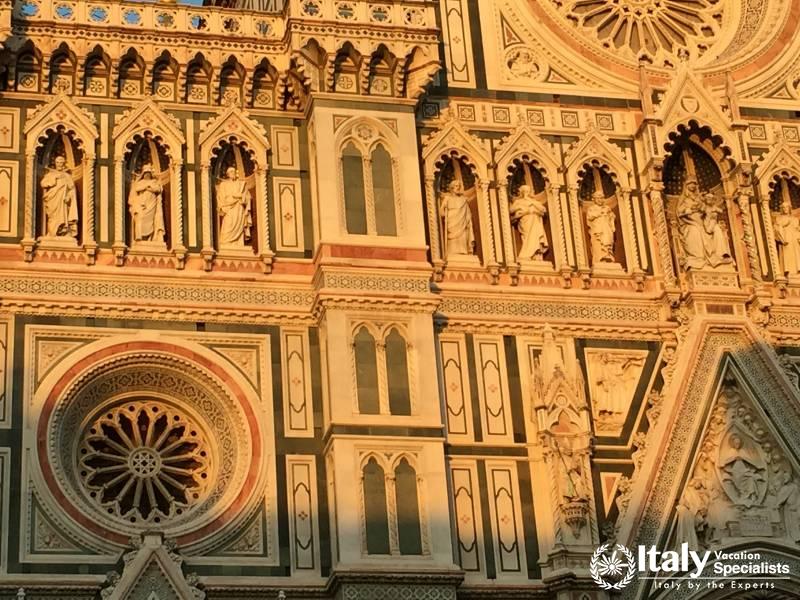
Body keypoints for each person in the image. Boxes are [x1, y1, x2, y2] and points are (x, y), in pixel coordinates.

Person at [40, 155, 78, 238]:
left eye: (61, 162)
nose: (59, 164)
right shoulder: (50, 174)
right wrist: (54, 179)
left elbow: (72, 189)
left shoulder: (67, 176)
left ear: (64, 164)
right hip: (53, 199)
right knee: (52, 216)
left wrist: (68, 196)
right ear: (55, 163)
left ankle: (62, 232)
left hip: (63, 201)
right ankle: (51, 233)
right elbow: (43, 184)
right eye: (58, 162)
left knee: (63, 217)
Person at [128, 164, 165, 243]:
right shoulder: (140, 182)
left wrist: (149, 188)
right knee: (141, 218)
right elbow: (137, 189)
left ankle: (150, 239)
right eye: (146, 173)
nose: (147, 174)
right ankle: (139, 237)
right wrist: (146, 187)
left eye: (148, 173)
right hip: (142, 205)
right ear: (143, 174)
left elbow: (158, 189)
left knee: (151, 222)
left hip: (152, 204)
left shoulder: (154, 182)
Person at [216, 166, 252, 247]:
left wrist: (241, 197)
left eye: (234, 171)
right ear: (227, 174)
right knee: (228, 225)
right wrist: (233, 197)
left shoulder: (241, 184)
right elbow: (221, 198)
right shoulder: (223, 185)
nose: (233, 173)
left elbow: (248, 197)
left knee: (239, 225)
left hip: (239, 208)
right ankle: (225, 242)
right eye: (231, 172)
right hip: (228, 209)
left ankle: (239, 243)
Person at [509, 184, 548, 260]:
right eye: (525, 191)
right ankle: (525, 255)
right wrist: (520, 207)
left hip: (535, 221)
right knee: (527, 236)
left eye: (528, 191)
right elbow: (511, 210)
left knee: (535, 236)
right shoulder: (518, 201)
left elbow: (543, 209)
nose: (526, 193)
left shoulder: (534, 201)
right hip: (525, 221)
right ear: (521, 192)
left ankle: (535, 256)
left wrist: (532, 203)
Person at [439, 180, 475, 257]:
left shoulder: (463, 199)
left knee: (463, 236)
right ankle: (452, 252)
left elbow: (468, 213)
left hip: (462, 222)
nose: (458, 188)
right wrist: (444, 214)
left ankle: (463, 251)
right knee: (453, 241)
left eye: (459, 186)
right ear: (452, 188)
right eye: (456, 186)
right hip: (451, 221)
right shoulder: (447, 198)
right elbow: (441, 211)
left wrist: (468, 220)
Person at [586, 190, 616, 264]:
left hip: (606, 228)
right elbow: (589, 217)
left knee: (608, 240)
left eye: (601, 198)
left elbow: (612, 217)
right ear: (594, 199)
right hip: (597, 229)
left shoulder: (607, 208)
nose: (600, 200)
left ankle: (608, 255)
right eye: (598, 198)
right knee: (598, 242)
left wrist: (610, 215)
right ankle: (600, 257)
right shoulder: (592, 208)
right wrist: (600, 213)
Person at [773, 200, 800, 275]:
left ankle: (798, 269)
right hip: (785, 238)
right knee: (787, 253)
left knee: (797, 253)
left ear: (789, 208)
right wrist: (783, 226)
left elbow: (797, 229)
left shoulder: (794, 219)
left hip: (794, 238)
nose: (785, 209)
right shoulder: (779, 218)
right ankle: (788, 270)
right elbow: (776, 228)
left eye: (786, 207)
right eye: (783, 207)